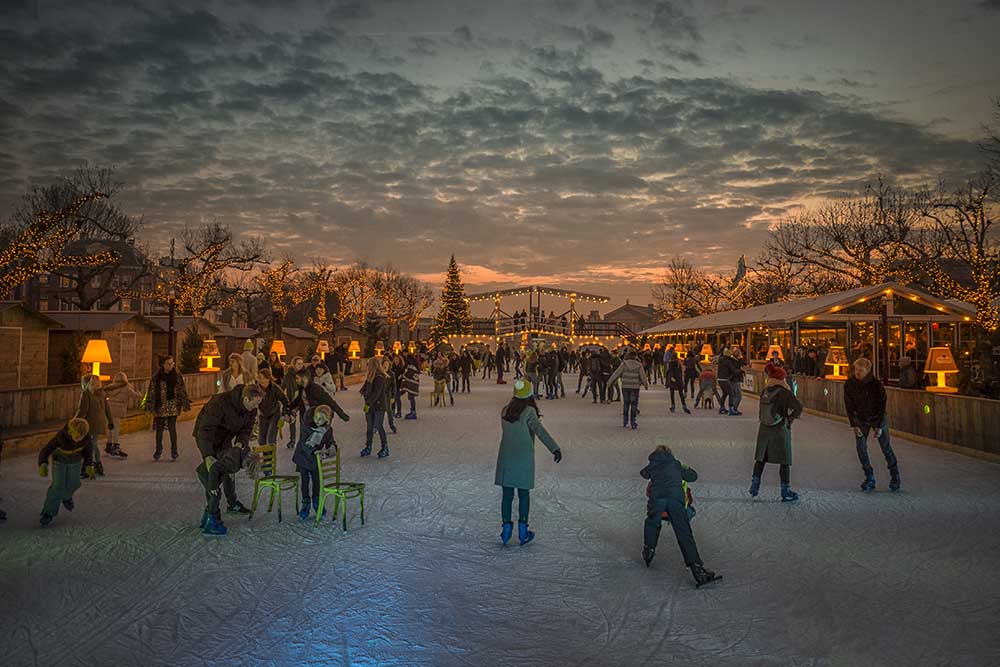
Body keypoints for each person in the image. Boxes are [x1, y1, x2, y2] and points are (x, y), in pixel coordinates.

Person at [639, 445, 720, 586]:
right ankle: (697, 569)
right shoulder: (675, 464)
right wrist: (685, 468)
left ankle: (648, 550)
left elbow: (643, 474)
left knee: (652, 524)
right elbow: (693, 476)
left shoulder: (653, 465)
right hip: (675, 500)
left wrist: (652, 467)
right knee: (684, 533)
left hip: (657, 499)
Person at [494, 380, 563, 546]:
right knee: (523, 494)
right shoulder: (529, 412)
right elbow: (540, 431)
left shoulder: (505, 411)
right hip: (523, 458)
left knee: (507, 494)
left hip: (506, 458)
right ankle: (523, 530)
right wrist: (554, 448)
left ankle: (506, 529)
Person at [194, 383, 264, 528]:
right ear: (246, 399)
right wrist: (208, 455)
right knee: (212, 474)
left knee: (229, 472)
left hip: (225, 438)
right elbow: (205, 429)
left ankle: (232, 503)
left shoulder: (251, 409)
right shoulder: (219, 403)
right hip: (208, 437)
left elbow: (246, 429)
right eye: (255, 403)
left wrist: (239, 443)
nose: (257, 407)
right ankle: (212, 512)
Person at [844, 358, 901, 492]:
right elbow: (849, 406)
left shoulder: (876, 385)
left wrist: (879, 426)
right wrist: (854, 425)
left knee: (885, 447)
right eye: (856, 369)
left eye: (861, 370)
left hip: (877, 417)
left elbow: (882, 405)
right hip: (861, 419)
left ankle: (895, 476)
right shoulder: (849, 384)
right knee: (861, 448)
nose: (857, 372)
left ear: (867, 370)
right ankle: (869, 476)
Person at [750, 364, 804, 501]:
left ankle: (754, 486)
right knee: (784, 460)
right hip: (780, 428)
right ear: (782, 379)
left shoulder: (765, 391)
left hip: (764, 429)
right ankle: (785, 491)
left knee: (761, 458)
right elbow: (798, 407)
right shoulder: (785, 392)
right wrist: (790, 419)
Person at [38, 418, 96, 527]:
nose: (80, 439)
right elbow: (46, 450)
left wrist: (89, 465)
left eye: (82, 437)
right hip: (59, 462)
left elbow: (88, 452)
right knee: (58, 486)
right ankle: (48, 513)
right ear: (70, 432)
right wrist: (43, 463)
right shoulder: (61, 437)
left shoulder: (86, 438)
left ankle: (66, 496)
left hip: (75, 463)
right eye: (77, 436)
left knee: (74, 484)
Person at [292, 404, 335, 520]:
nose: (317, 421)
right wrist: (317, 451)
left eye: (321, 419)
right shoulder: (306, 426)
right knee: (305, 482)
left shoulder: (327, 430)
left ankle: (317, 503)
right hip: (303, 458)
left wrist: (331, 448)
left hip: (316, 460)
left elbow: (331, 441)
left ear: (327, 420)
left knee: (317, 482)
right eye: (316, 417)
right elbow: (304, 445)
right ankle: (305, 504)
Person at [149, 355, 190, 460]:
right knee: (159, 430)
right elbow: (152, 391)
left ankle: (174, 451)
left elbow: (181, 390)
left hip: (172, 406)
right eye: (168, 363)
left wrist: (185, 403)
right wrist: (151, 405)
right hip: (160, 406)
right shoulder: (156, 377)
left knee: (172, 429)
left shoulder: (177, 376)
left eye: (172, 363)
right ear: (163, 364)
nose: (171, 366)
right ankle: (158, 450)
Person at [75, 374, 112, 477]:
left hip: (89, 423)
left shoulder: (86, 394)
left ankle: (87, 467)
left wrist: (74, 421)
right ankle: (97, 464)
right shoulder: (102, 393)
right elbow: (107, 409)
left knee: (86, 445)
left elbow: (82, 411)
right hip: (100, 423)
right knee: (93, 444)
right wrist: (110, 421)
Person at [102, 371, 142, 459]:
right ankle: (116, 446)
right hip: (118, 410)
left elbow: (103, 395)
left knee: (110, 427)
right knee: (116, 429)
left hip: (109, 409)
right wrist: (139, 394)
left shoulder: (110, 387)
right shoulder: (127, 387)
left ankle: (109, 445)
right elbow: (134, 396)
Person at [608, 349, 649, 429]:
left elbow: (617, 373)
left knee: (626, 404)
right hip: (635, 387)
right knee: (634, 404)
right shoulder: (639, 365)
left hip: (625, 386)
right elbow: (643, 376)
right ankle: (633, 422)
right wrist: (645, 384)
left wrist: (610, 381)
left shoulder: (624, 364)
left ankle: (625, 420)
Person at [360, 357, 391, 458]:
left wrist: (368, 403)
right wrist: (363, 391)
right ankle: (368, 446)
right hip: (370, 405)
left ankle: (385, 447)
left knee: (378, 425)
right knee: (369, 427)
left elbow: (376, 393)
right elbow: (366, 388)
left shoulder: (380, 378)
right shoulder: (370, 377)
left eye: (368, 365)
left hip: (378, 406)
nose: (367, 367)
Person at [256, 367, 288, 446]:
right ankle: (266, 457)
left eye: (264, 378)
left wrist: (284, 413)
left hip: (274, 414)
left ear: (268, 378)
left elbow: (285, 400)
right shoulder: (256, 389)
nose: (262, 380)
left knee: (271, 439)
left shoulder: (275, 388)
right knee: (261, 440)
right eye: (260, 378)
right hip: (263, 415)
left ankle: (270, 457)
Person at [281, 356, 305, 448]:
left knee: (303, 421)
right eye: (298, 363)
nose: (300, 365)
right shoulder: (289, 375)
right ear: (294, 364)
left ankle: (303, 440)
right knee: (292, 420)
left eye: (301, 363)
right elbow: (283, 386)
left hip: (302, 400)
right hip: (292, 400)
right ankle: (292, 440)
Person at [380, 357, 398, 434]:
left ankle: (392, 425)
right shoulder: (379, 373)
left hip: (387, 396)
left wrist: (393, 396)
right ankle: (376, 426)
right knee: (380, 412)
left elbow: (394, 386)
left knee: (389, 411)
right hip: (380, 396)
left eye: (387, 364)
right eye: (384, 364)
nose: (385, 366)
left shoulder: (391, 374)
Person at [401, 354, 421, 419]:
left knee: (411, 398)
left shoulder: (411, 367)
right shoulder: (415, 367)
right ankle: (412, 411)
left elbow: (408, 375)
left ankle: (413, 412)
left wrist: (403, 376)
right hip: (413, 385)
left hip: (411, 385)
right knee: (411, 398)